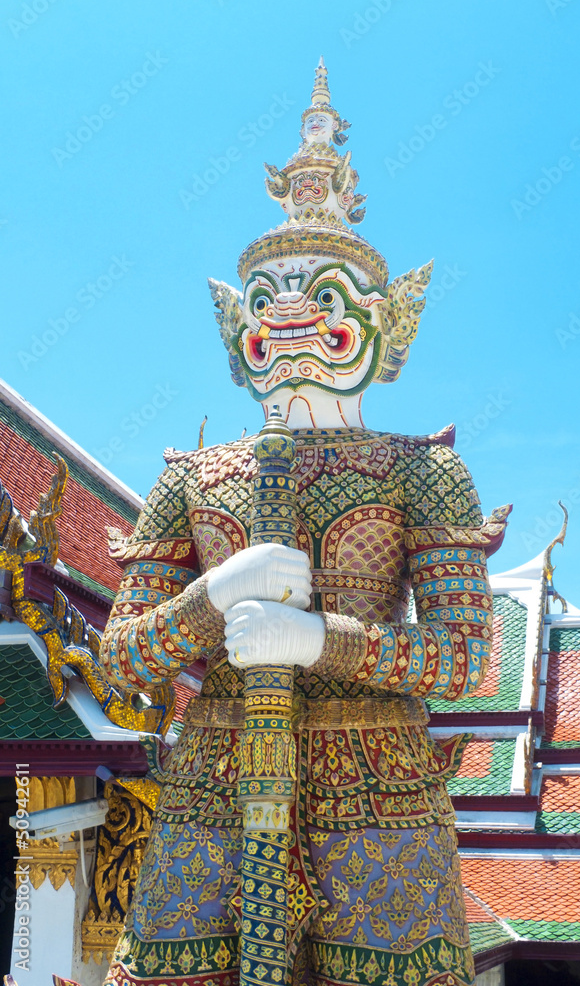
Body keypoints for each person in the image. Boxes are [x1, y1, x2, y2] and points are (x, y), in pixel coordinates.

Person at [99, 59, 510, 986]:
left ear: (381, 325)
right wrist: (213, 598)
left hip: (381, 792)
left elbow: (458, 659)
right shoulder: (195, 477)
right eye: (268, 294)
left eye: (319, 294)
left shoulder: (422, 471)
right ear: (238, 327)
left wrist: (316, 636)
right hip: (214, 776)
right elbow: (122, 659)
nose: (289, 313)